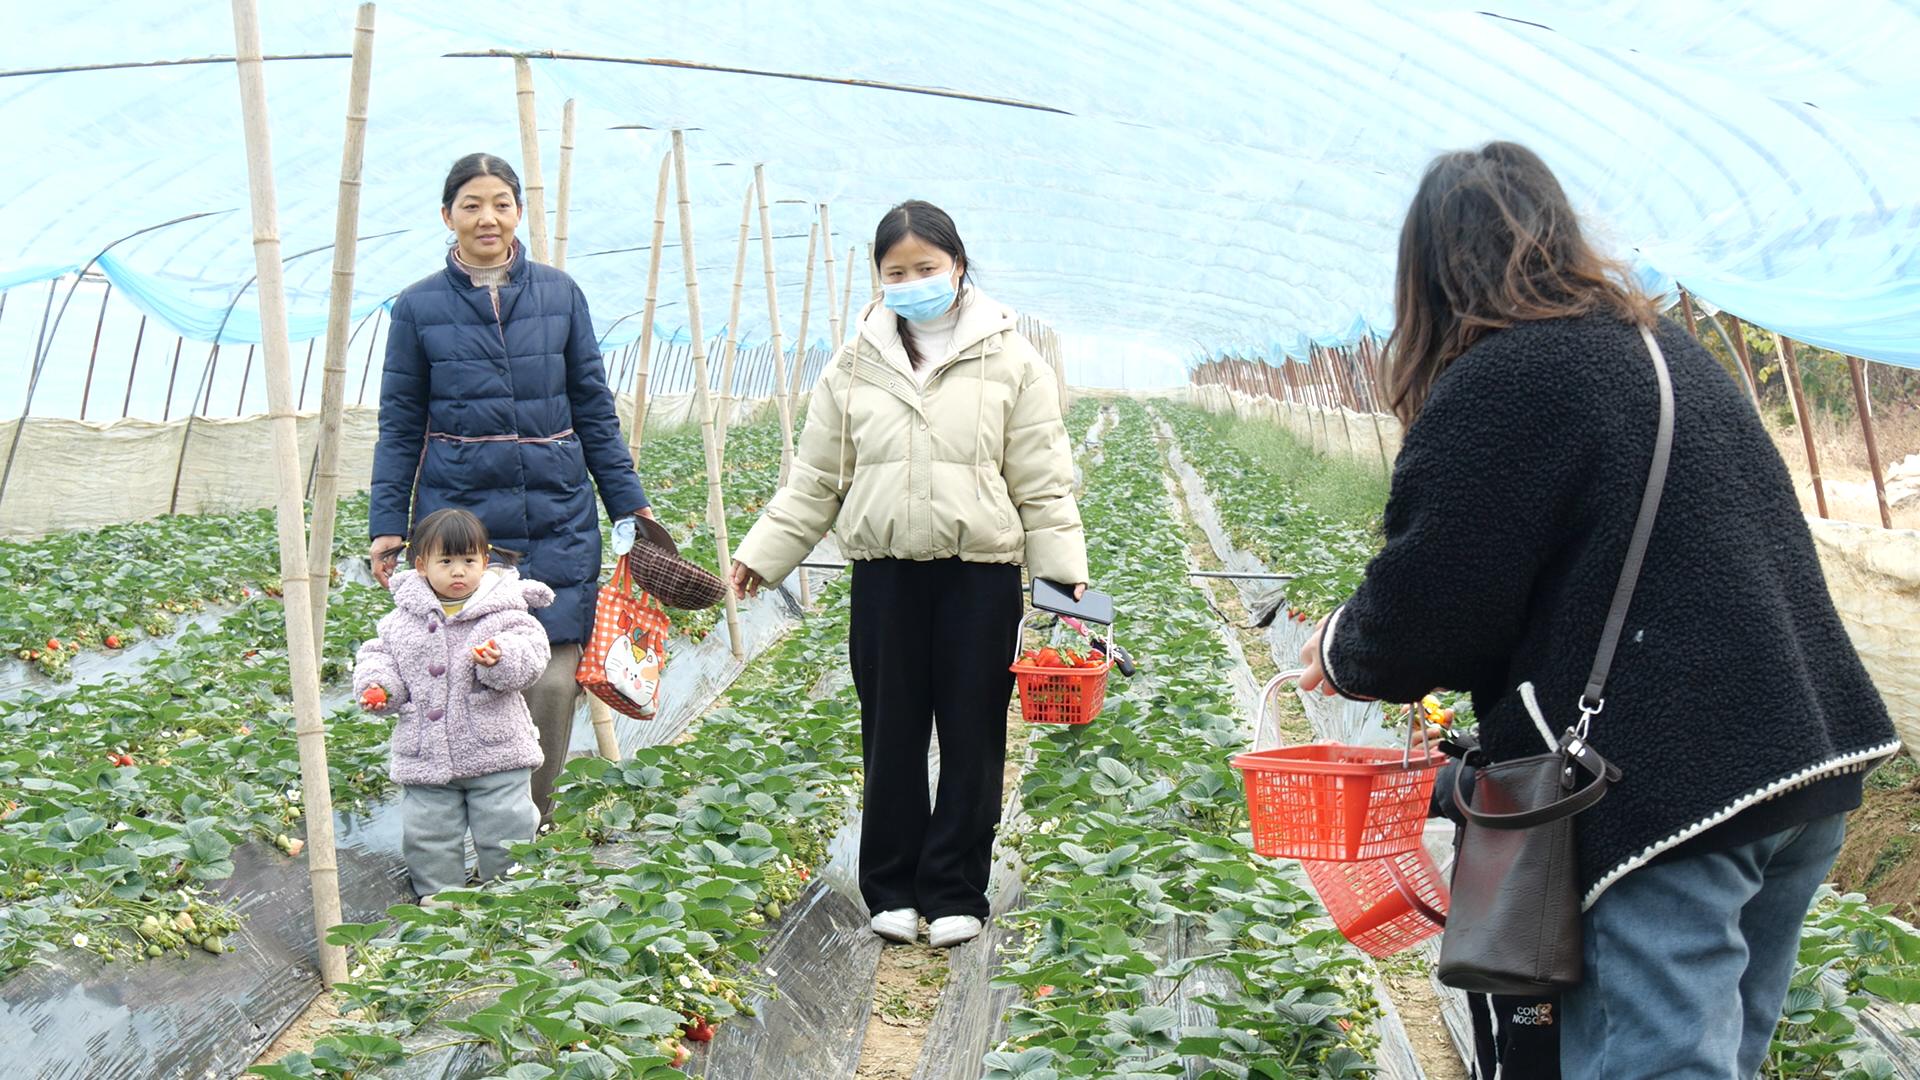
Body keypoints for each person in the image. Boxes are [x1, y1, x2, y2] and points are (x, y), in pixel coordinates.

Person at [1296, 142, 1899, 1079]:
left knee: (1658, 1063)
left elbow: (1436, 603)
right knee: (1719, 1053)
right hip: (1800, 761)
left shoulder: (1507, 379)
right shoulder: (1664, 350)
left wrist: (1340, 649)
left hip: (1673, 789)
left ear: (1427, 277)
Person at [730, 200, 1089, 949]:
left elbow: (1044, 480)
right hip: (885, 576)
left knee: (972, 732)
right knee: (889, 731)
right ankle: (891, 887)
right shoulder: (854, 363)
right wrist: (762, 556)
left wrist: (1062, 578)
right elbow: (815, 480)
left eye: (926, 268)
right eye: (897, 272)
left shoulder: (1011, 359)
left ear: (958, 267)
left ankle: (955, 888)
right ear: (878, 278)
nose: (913, 282)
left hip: (979, 577)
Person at [368, 152, 653, 825]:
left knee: (550, 678)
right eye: (471, 204)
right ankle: (456, 820)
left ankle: (528, 822)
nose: (487, 216)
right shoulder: (417, 307)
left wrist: (630, 505)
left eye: (501, 202)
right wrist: (389, 522)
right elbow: (401, 423)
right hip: (463, 529)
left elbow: (593, 407)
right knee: (463, 673)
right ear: (448, 216)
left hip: (558, 517)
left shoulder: (560, 295)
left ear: (518, 211)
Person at [354, 508, 552, 902]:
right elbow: (380, 656)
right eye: (447, 562)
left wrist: (501, 659)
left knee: (507, 827)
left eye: (469, 561)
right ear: (423, 565)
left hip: (496, 751)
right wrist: (380, 687)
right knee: (429, 834)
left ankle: (510, 899)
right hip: (425, 754)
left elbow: (532, 654)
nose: (459, 571)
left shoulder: (506, 611)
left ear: (485, 561)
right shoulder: (400, 620)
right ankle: (440, 904)